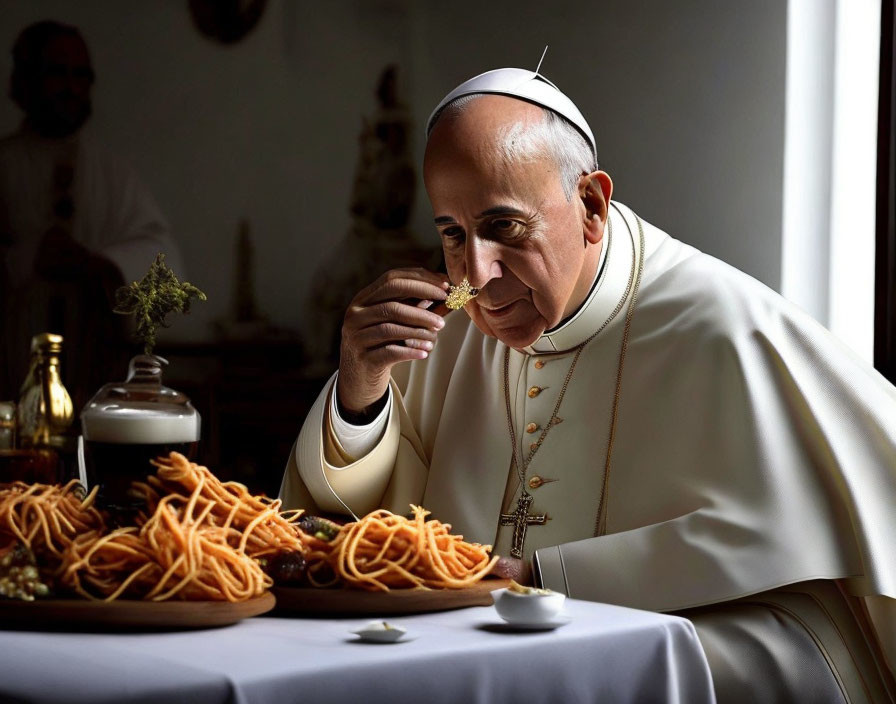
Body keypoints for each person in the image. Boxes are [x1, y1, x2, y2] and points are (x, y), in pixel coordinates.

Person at [281, 67, 896, 702]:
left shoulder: (723, 324)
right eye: (453, 234)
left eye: (505, 228)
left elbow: (779, 531)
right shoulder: (449, 322)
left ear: (592, 208)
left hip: (696, 641)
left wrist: (545, 575)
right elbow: (348, 523)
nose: (479, 276)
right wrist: (360, 385)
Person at [0, 20, 183, 410]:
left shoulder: (112, 173)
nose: (70, 87)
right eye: (57, 73)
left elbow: (163, 257)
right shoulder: (5, 165)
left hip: (92, 376)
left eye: (80, 75)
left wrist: (102, 266)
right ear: (25, 80)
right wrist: (30, 258)